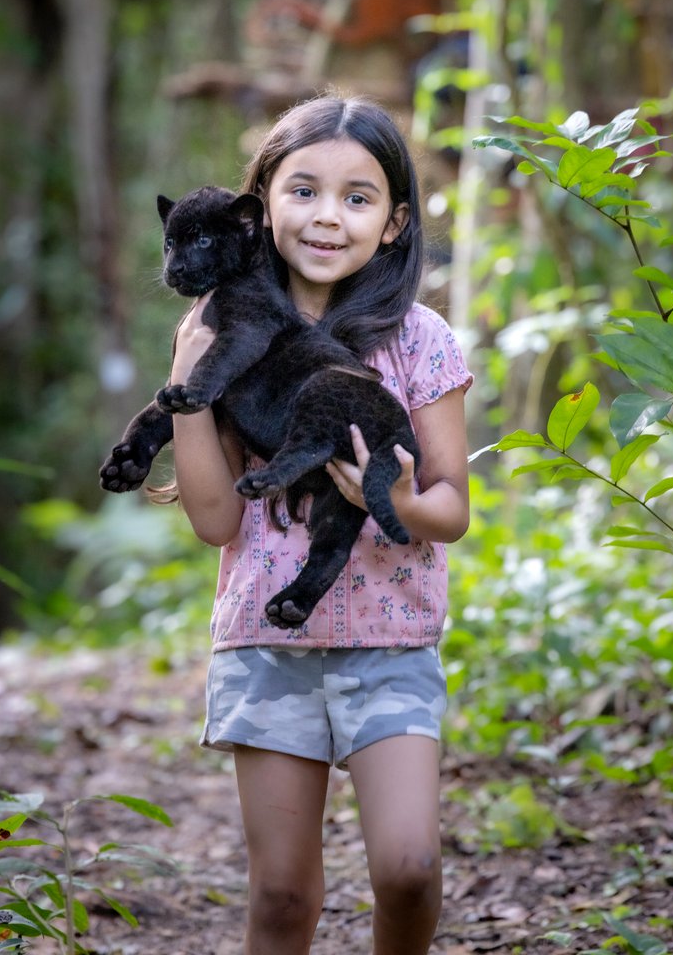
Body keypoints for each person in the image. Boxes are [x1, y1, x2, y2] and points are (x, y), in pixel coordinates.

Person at [168, 95, 472, 955]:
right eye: (302, 190)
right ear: (259, 203)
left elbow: (451, 506)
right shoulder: (221, 334)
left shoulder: (420, 341)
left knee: (409, 867)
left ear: (394, 221)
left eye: (358, 197)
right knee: (281, 897)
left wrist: (405, 503)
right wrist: (189, 379)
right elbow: (217, 519)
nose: (327, 216)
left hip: (392, 644)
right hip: (268, 648)